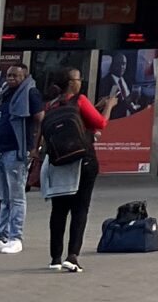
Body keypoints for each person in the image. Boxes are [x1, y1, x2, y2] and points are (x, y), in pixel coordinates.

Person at [40, 66, 114, 273]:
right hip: (83, 160)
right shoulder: (80, 100)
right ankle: (72, 256)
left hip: (58, 161)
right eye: (78, 78)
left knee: (59, 209)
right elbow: (100, 123)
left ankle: (55, 257)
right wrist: (109, 106)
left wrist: (95, 106)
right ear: (71, 83)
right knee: (80, 208)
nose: (80, 81)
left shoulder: (51, 105)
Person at [0, 57, 42, 255]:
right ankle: (2, 235)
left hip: (16, 150)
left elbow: (39, 118)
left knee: (16, 197)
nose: (11, 79)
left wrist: (34, 147)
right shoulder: (5, 93)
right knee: (3, 196)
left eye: (15, 75)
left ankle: (16, 237)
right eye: (8, 75)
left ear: (24, 77)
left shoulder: (30, 93)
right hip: (1, 149)